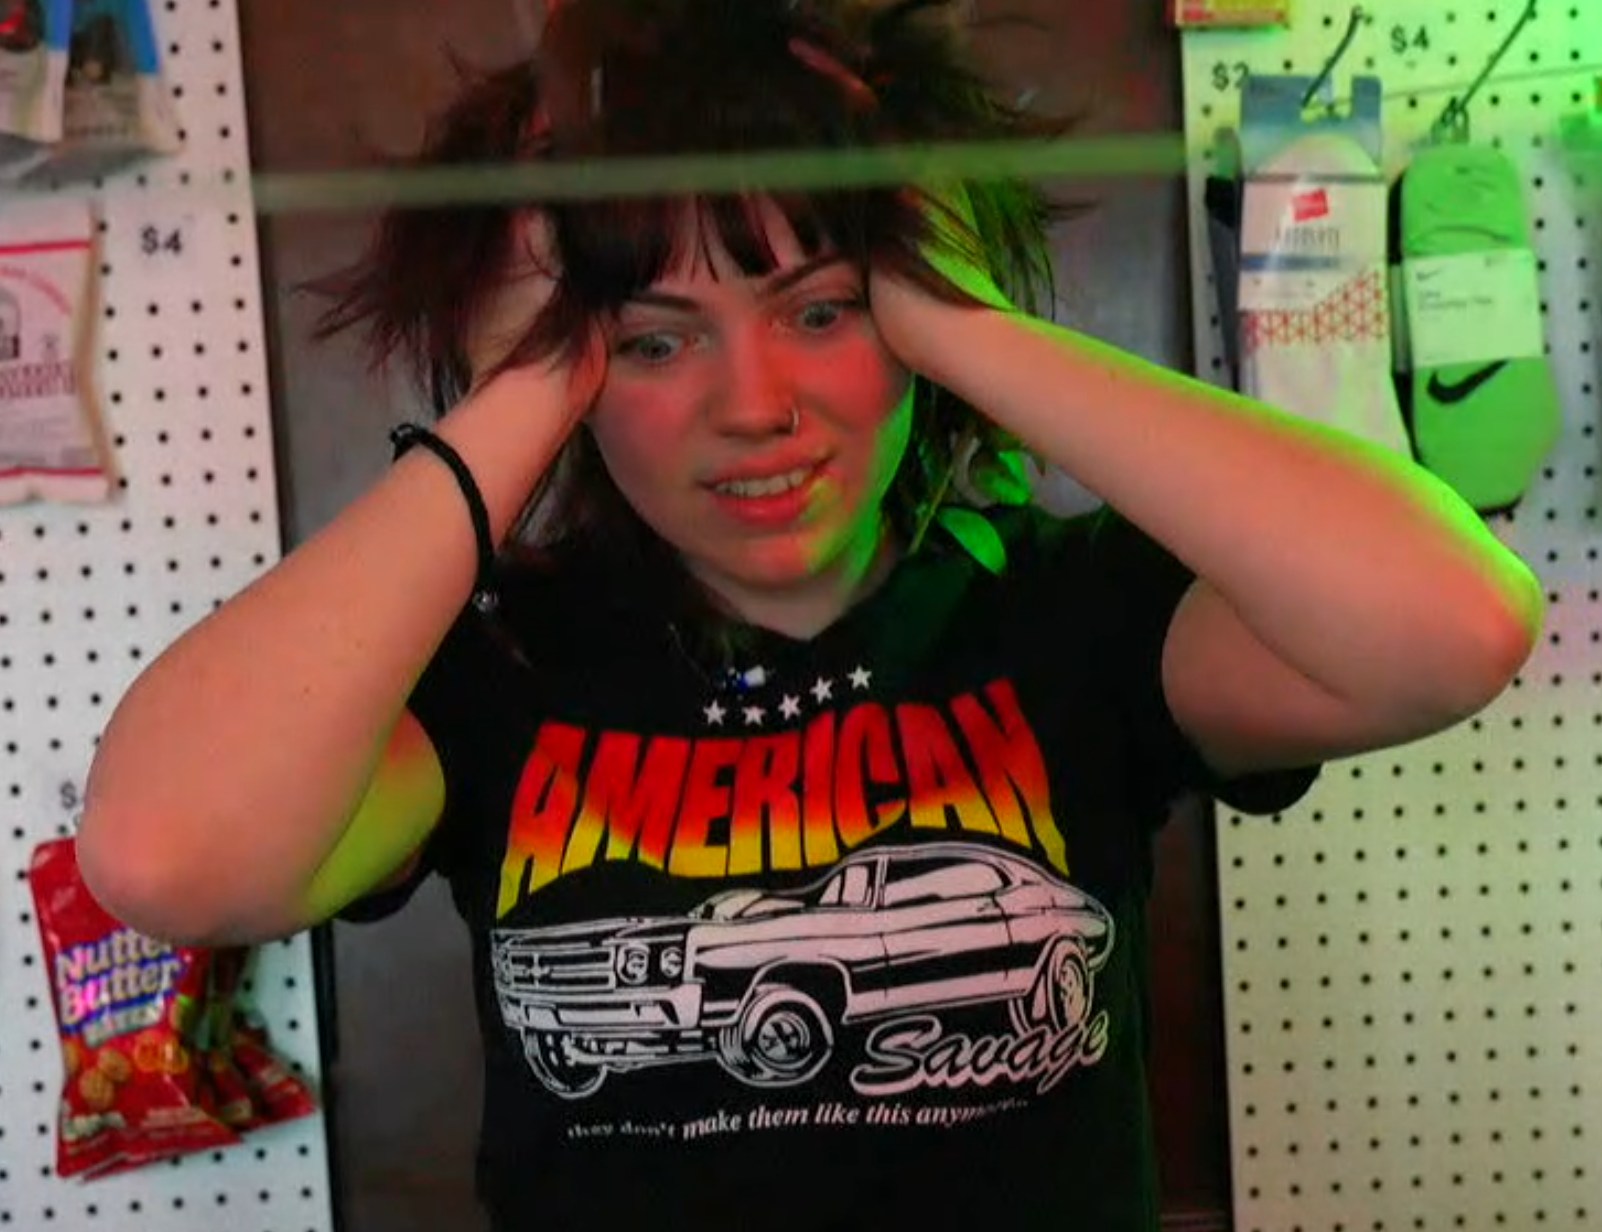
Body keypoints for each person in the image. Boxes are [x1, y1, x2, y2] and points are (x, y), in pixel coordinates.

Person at [77, 0, 1545, 1227]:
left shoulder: (1074, 616)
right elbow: (166, 861)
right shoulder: (497, 668)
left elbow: (1455, 626)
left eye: (824, 311)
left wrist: (958, 314)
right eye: (652, 344)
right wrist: (523, 381)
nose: (755, 407)